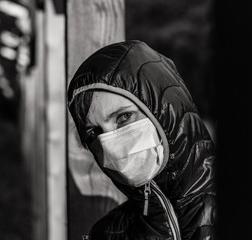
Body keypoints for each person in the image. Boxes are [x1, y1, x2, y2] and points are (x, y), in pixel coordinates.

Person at [67, 40, 216, 240]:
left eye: (123, 117)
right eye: (94, 133)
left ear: (165, 111)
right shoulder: (107, 234)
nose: (108, 143)